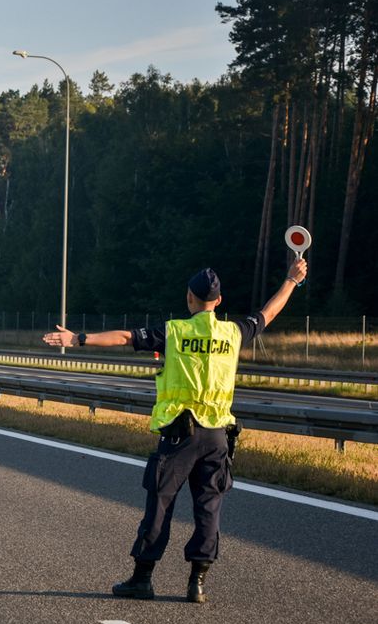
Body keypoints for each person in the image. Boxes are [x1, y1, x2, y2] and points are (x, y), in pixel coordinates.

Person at [42, 258, 307, 602]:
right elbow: (268, 313)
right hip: (217, 438)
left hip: (180, 435)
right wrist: (290, 279)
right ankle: (197, 582)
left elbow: (125, 337)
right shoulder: (233, 333)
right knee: (208, 507)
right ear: (219, 301)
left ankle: (143, 579)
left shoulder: (174, 332)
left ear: (189, 299)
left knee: (161, 504)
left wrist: (78, 338)